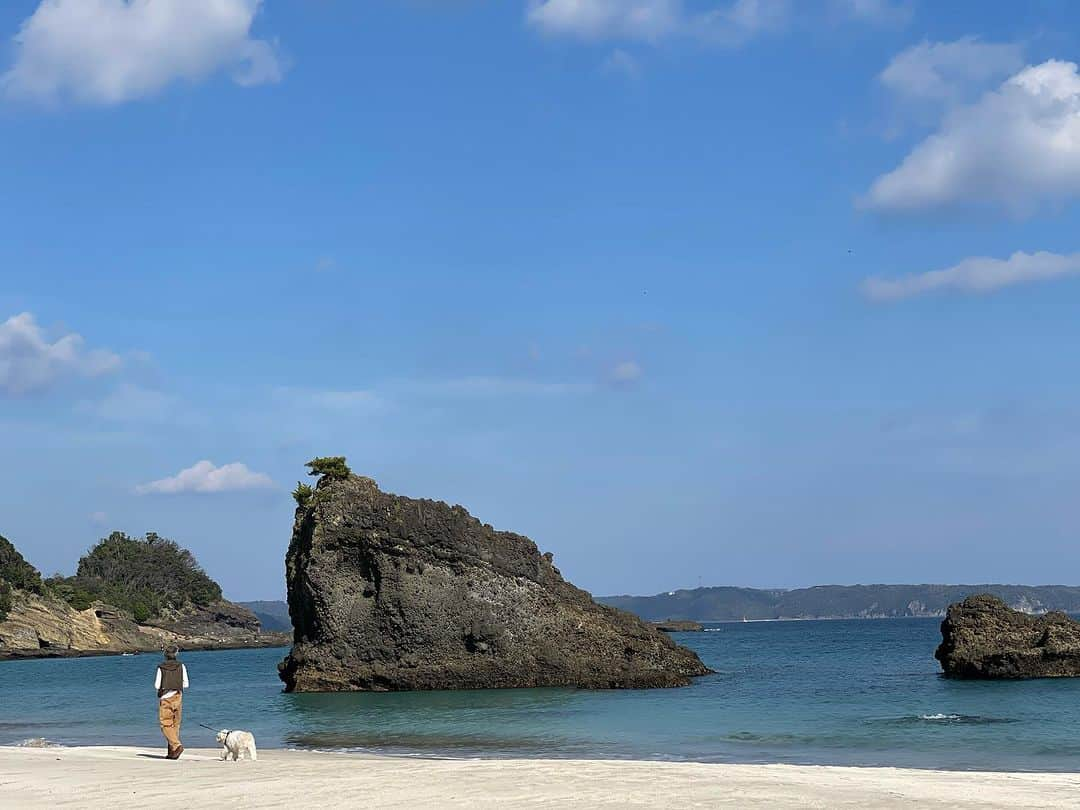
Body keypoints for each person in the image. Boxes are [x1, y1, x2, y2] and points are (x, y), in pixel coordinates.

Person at [154, 646, 189, 760]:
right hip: (178, 696)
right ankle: (172, 751)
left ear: (165, 654)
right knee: (175, 724)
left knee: (165, 724)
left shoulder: (161, 667)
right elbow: (186, 684)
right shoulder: (181, 666)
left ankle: (177, 746)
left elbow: (157, 685)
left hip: (166, 697)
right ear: (176, 654)